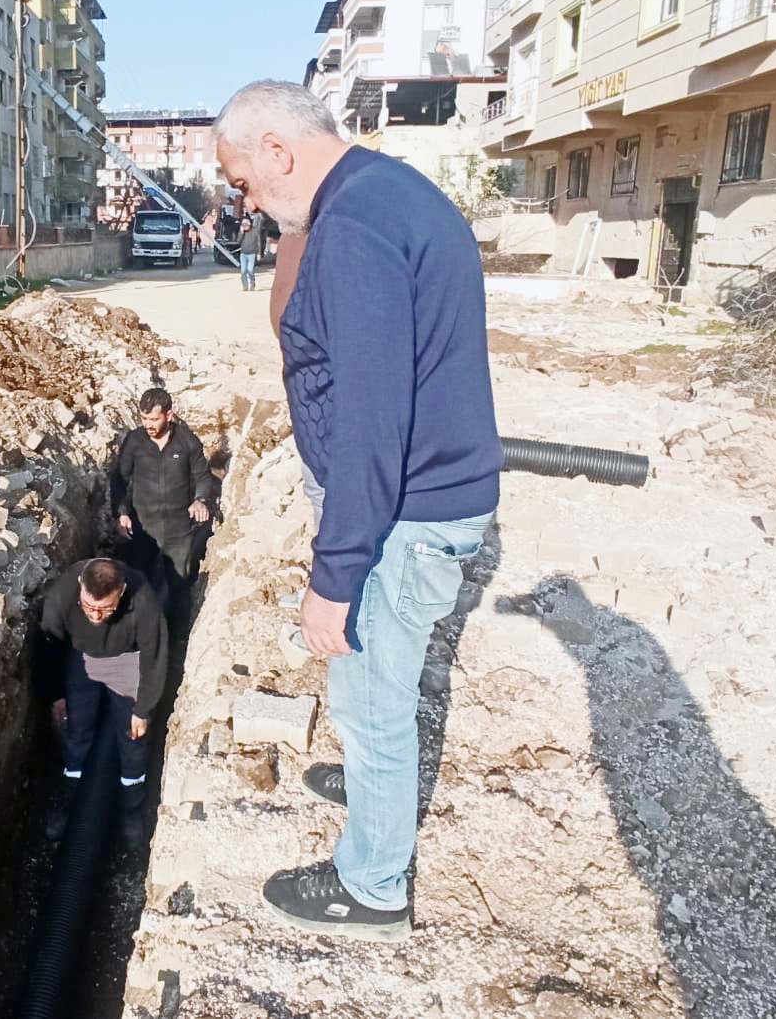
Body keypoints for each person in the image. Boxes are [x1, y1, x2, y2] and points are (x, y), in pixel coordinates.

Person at [214, 80, 500, 942]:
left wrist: (334, 577)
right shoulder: (384, 193)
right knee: (375, 686)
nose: (252, 204)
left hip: (401, 516)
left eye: (248, 183)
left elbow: (377, 419)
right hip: (411, 502)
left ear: (277, 148)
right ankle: (383, 788)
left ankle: (371, 885)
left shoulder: (354, 230)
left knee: (371, 698)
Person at [32, 557, 170, 847]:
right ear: (81, 585)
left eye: (105, 609)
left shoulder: (143, 601)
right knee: (75, 729)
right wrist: (56, 695)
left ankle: (131, 808)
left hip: (127, 660)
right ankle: (69, 799)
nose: (95, 616)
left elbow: (155, 657)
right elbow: (50, 646)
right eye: (89, 607)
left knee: (133, 738)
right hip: (81, 659)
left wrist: (143, 708)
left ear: (121, 592)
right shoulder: (63, 594)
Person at [109, 387, 212, 619]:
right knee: (134, 582)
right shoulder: (135, 441)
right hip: (142, 528)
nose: (148, 424)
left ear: (169, 415)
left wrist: (200, 500)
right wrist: (122, 513)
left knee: (178, 586)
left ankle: (176, 637)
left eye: (154, 419)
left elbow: (203, 476)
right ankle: (133, 630)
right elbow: (119, 479)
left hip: (178, 530)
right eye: (144, 418)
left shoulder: (187, 442)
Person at [236, 212, 265, 292]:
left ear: (249, 225)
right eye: (243, 225)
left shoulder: (255, 231)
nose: (244, 227)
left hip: (252, 254)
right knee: (243, 271)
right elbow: (238, 242)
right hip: (243, 254)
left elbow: (258, 242)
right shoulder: (242, 232)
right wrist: (241, 233)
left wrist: (259, 253)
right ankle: (245, 286)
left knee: (250, 270)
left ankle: (252, 283)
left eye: (245, 225)